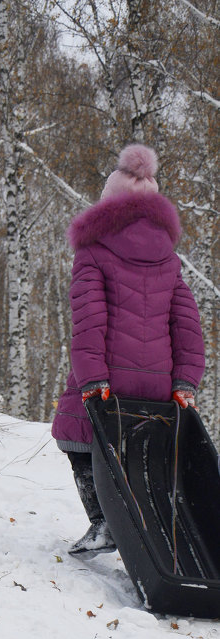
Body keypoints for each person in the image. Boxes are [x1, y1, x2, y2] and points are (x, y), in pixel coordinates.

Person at [51, 143, 204, 557]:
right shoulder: (169, 260)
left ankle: (105, 523)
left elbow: (88, 322)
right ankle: (142, 528)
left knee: (76, 439)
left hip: (106, 376)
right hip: (157, 384)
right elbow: (188, 326)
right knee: (139, 450)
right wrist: (185, 380)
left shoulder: (94, 252)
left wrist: (92, 376)